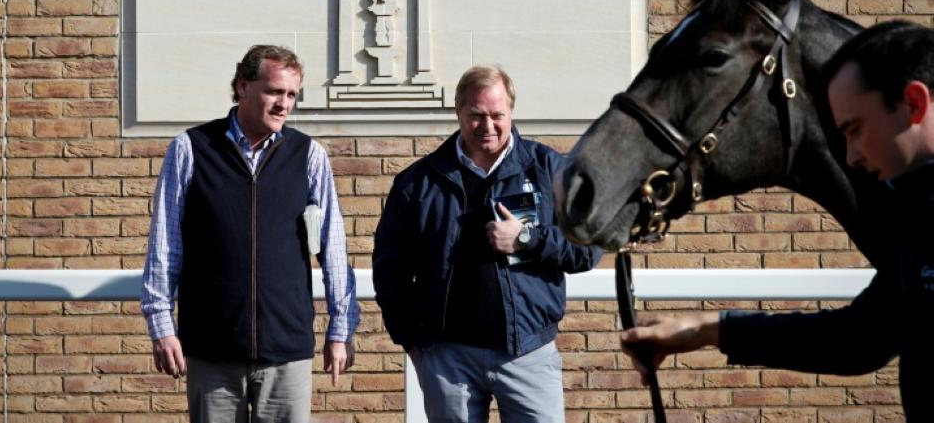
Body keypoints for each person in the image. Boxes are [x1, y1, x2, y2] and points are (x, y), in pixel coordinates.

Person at [620, 21, 934, 421]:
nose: (851, 156)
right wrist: (704, 328)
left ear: (913, 104)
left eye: (855, 130)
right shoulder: (916, 218)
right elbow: (860, 339)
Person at [141, 45, 359, 423]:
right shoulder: (191, 149)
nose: (284, 104)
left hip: (286, 348)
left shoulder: (308, 155)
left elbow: (333, 249)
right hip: (212, 350)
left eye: (291, 94)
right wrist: (161, 324)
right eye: (275, 91)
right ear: (242, 86)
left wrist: (340, 328)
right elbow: (165, 245)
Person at [373, 64, 603, 423]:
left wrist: (527, 239)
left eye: (498, 115)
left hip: (527, 352)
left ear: (511, 111)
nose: (488, 126)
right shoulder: (418, 182)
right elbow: (390, 268)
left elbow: (588, 248)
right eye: (476, 115)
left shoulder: (549, 170)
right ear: (458, 112)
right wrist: (411, 340)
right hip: (448, 359)